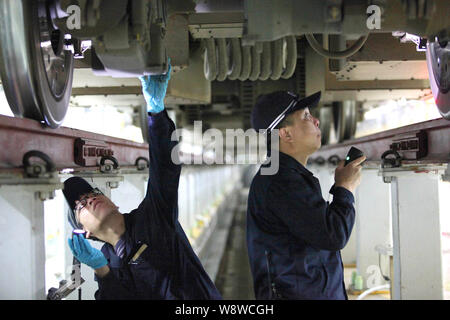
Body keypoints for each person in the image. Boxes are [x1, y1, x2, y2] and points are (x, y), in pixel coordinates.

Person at [62, 62, 222, 300]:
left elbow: (165, 168)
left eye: (92, 193)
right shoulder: (107, 265)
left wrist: (156, 113)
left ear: (114, 203)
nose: (89, 199)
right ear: (84, 232)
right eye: (80, 205)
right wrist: (102, 271)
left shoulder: (153, 216)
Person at [246, 91, 366, 300]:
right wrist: (344, 188)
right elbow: (333, 235)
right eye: (306, 117)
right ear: (285, 134)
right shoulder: (281, 181)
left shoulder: (284, 175)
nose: (316, 121)